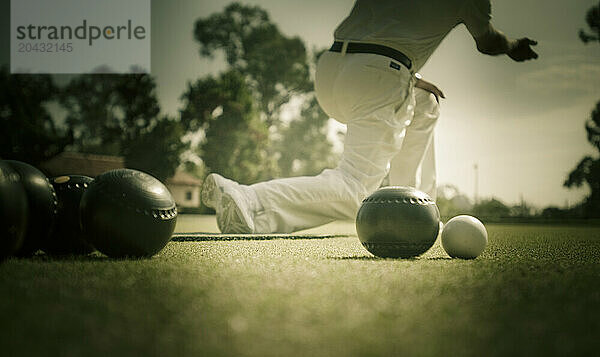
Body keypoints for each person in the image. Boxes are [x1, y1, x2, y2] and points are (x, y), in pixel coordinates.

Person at [202, 0, 538, 234]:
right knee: (356, 189)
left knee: (426, 102)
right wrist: (513, 46)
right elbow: (488, 41)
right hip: (377, 74)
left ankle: (416, 209)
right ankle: (250, 198)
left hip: (333, 67)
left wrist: (407, 77)